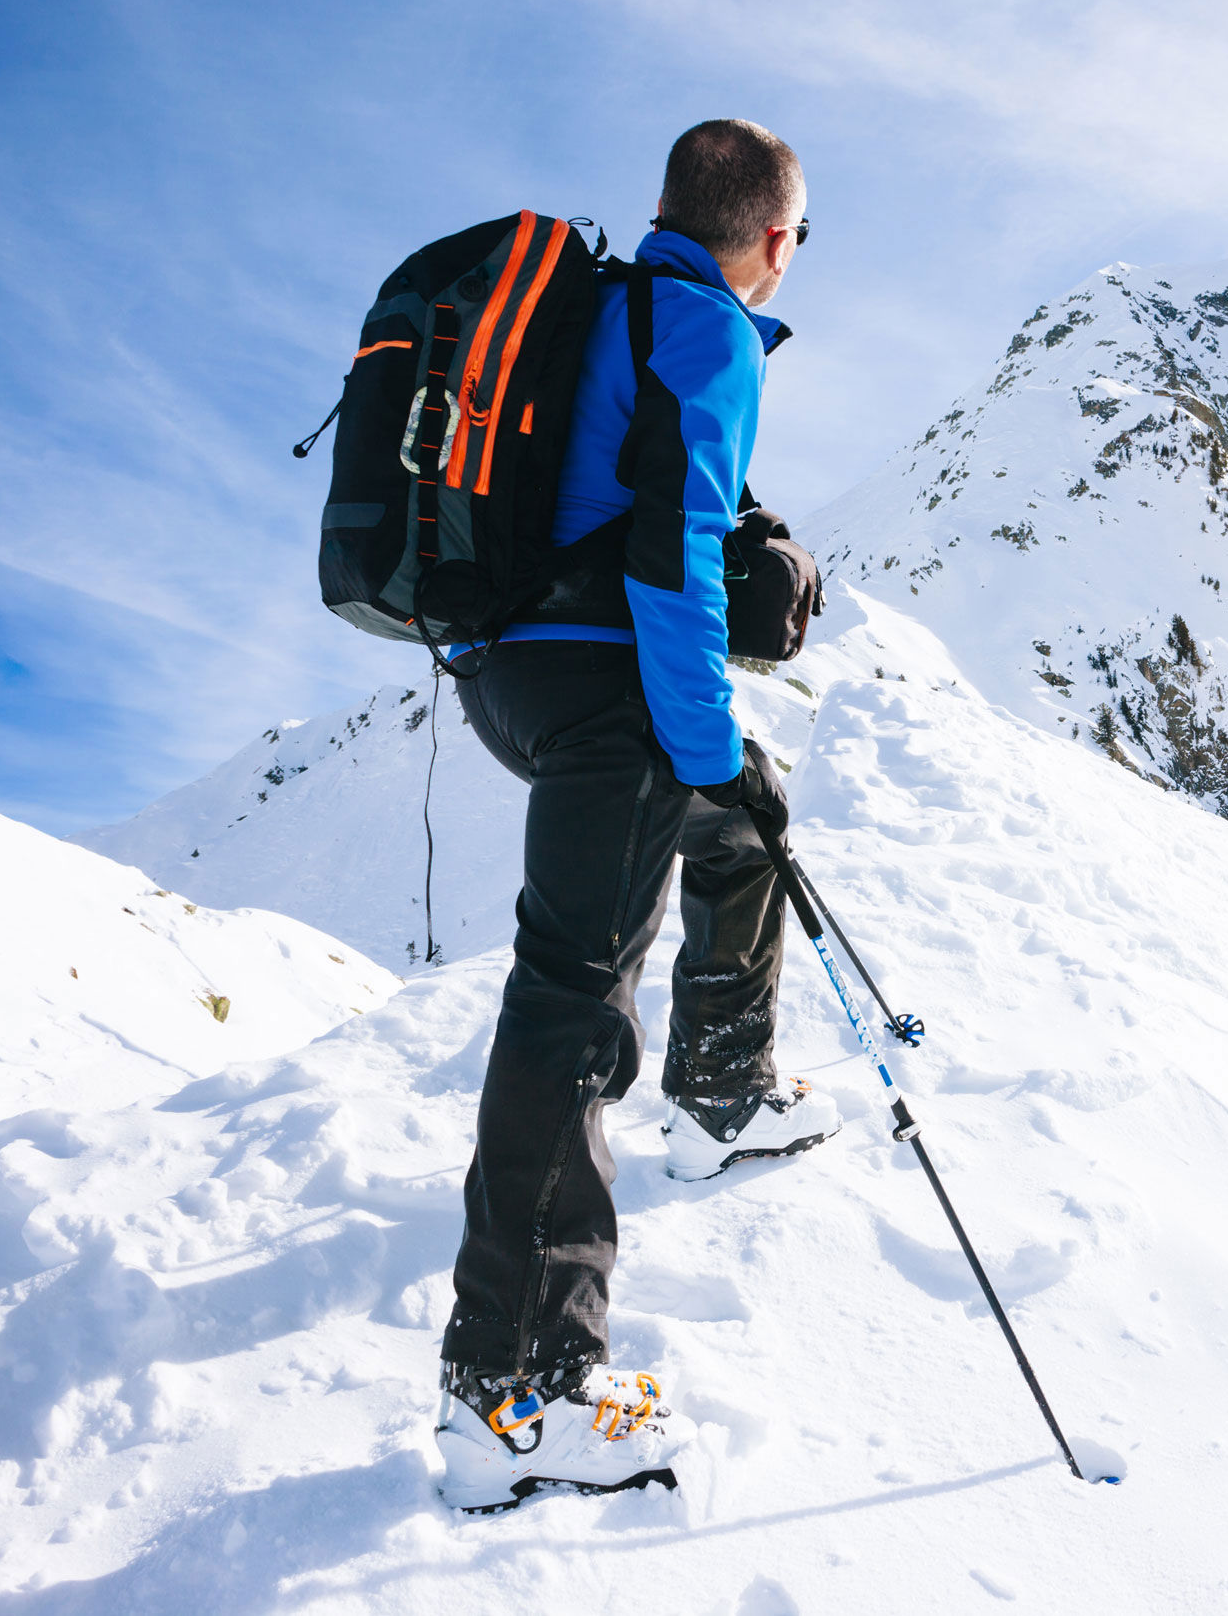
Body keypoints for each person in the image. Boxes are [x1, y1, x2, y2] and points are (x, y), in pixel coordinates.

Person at [431, 119, 836, 1512]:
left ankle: (723, 1088)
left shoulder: (601, 305)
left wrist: (726, 772)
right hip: (607, 700)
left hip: (511, 677)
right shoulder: (705, 331)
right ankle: (516, 1396)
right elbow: (669, 561)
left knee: (748, 823)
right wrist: (702, 738)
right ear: (773, 237)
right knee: (573, 1007)